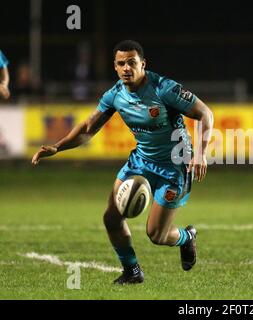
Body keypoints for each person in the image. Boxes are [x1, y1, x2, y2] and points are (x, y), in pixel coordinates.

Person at [31, 40, 214, 284]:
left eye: (131, 62)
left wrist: (200, 153)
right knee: (111, 218)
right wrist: (58, 146)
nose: (126, 68)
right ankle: (132, 271)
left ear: (143, 64)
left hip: (175, 165)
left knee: (156, 235)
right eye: (121, 63)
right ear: (115, 67)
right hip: (141, 161)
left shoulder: (163, 88)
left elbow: (205, 113)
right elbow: (88, 127)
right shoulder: (115, 95)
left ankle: (186, 237)